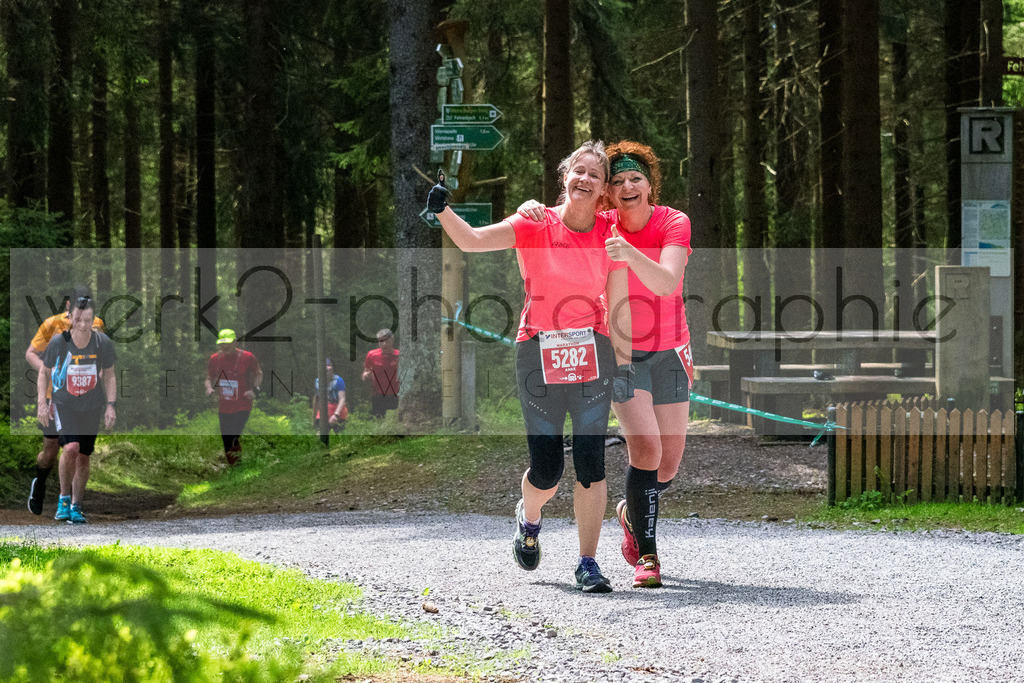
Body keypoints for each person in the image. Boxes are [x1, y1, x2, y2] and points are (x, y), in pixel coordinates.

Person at [428, 140, 634, 593]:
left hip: (591, 352)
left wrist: (624, 364)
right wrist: (443, 210)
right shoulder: (534, 221)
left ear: (603, 190)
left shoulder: (609, 233)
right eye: (577, 170)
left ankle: (588, 563)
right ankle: (530, 517)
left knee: (591, 463)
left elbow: (618, 304)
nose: (584, 178)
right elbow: (474, 240)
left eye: (594, 175)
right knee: (547, 470)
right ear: (565, 177)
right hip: (537, 352)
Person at [519, 140, 691, 588]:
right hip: (622, 353)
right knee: (647, 451)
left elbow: (667, 282)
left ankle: (630, 513)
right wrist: (531, 206)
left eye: (636, 178)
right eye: (618, 181)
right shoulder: (601, 222)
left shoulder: (673, 222)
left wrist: (628, 251)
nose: (627, 186)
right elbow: (560, 217)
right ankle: (647, 558)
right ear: (608, 193)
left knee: (668, 465)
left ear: (651, 185)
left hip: (670, 349)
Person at [36, 295, 117, 524]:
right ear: (70, 318)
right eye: (79, 319)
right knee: (71, 447)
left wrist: (111, 406)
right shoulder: (59, 342)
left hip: (92, 404)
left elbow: (109, 375)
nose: (83, 324)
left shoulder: (102, 342)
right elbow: (43, 372)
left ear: (93, 319)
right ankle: (63, 500)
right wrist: (43, 403)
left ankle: (76, 505)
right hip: (64, 403)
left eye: (88, 320)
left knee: (84, 456)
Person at [205, 329, 263, 465]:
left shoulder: (247, 357)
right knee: (226, 438)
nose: (225, 347)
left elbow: (258, 373)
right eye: (222, 344)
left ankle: (237, 466)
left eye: (228, 343)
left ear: (235, 342)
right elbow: (209, 378)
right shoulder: (215, 359)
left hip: (243, 404)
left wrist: (254, 390)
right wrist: (209, 388)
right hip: (224, 406)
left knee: (233, 434)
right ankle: (234, 466)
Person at [362, 328, 399, 417]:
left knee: (394, 420)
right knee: (378, 420)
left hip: (396, 394)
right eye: (381, 341)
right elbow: (365, 373)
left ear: (392, 341)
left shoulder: (399, 355)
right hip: (378, 394)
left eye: (387, 341)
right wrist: (366, 376)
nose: (384, 344)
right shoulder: (372, 355)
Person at [313, 358, 348, 432]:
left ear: (332, 368)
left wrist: (336, 414)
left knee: (340, 436)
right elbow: (317, 399)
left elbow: (342, 399)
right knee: (320, 434)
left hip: (339, 410)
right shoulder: (317, 381)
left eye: (328, 365)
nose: (326, 368)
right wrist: (315, 416)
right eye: (324, 366)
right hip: (324, 410)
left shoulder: (339, 380)